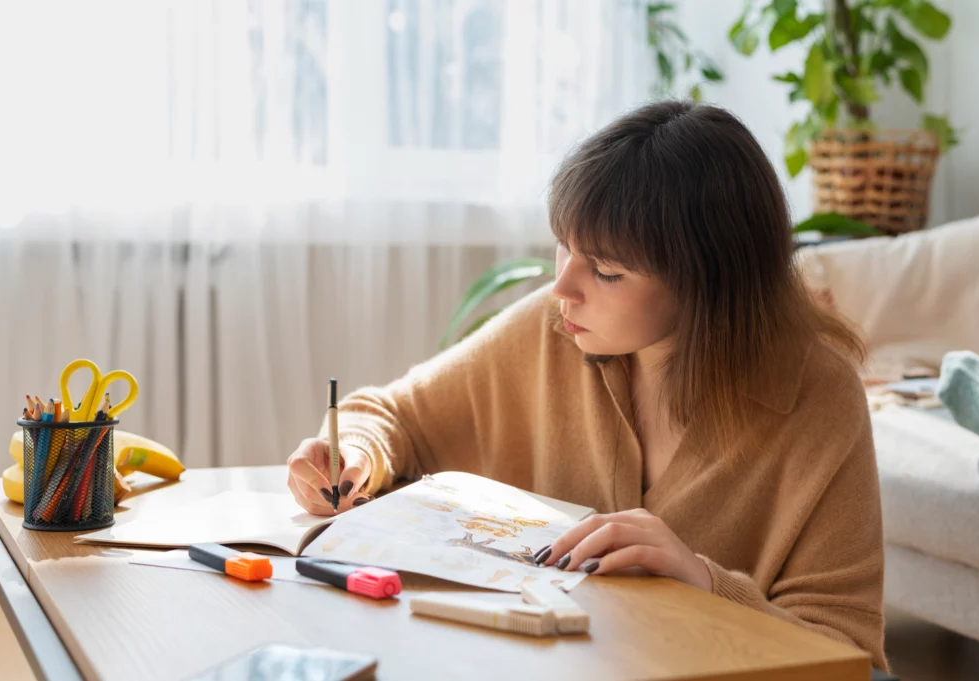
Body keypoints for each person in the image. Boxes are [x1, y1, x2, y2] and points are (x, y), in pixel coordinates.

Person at [287, 101, 888, 670]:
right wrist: (356, 453)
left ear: (708, 283)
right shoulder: (556, 330)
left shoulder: (817, 396)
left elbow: (851, 655)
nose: (563, 287)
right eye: (564, 248)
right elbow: (394, 414)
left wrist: (705, 584)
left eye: (606, 271)